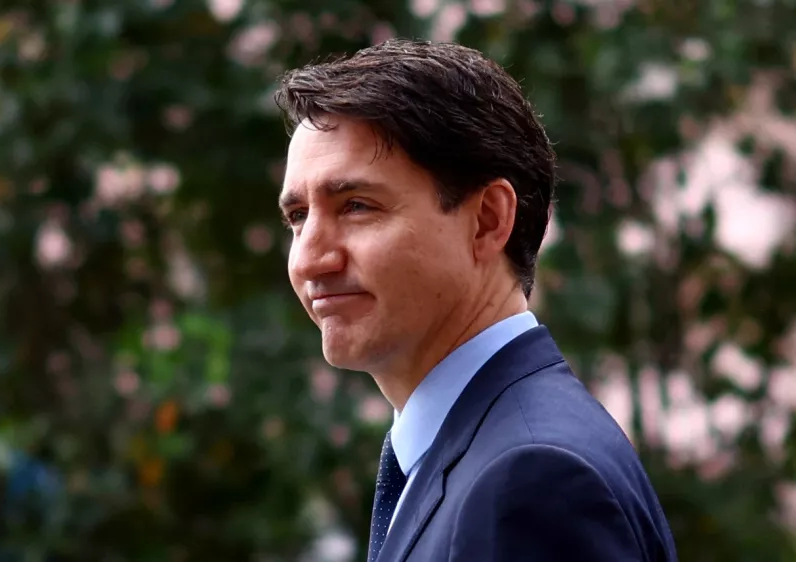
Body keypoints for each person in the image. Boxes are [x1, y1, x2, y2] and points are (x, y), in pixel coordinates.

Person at [274, 39, 677, 562]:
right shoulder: (482, 450)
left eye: (355, 206)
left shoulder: (531, 478)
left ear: (488, 220)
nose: (309, 261)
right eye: (298, 217)